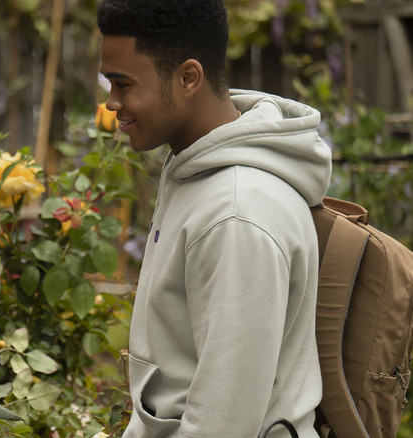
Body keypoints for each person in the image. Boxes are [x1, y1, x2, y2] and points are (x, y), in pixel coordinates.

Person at [96, 1, 332, 437]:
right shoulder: (198, 173)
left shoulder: (238, 215)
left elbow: (223, 422)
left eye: (123, 84)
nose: (112, 103)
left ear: (188, 77)